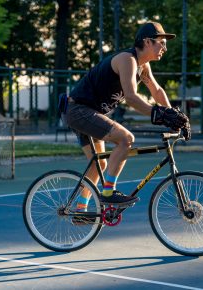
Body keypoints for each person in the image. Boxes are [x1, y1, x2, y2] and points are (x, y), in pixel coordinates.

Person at [62, 21, 191, 212]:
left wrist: (174, 115)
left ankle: (80, 210)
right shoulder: (127, 60)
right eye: (161, 42)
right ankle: (108, 192)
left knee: (100, 164)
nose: (165, 47)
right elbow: (131, 96)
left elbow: (156, 90)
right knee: (126, 139)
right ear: (147, 42)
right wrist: (160, 114)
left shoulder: (143, 66)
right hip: (80, 110)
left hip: (89, 113)